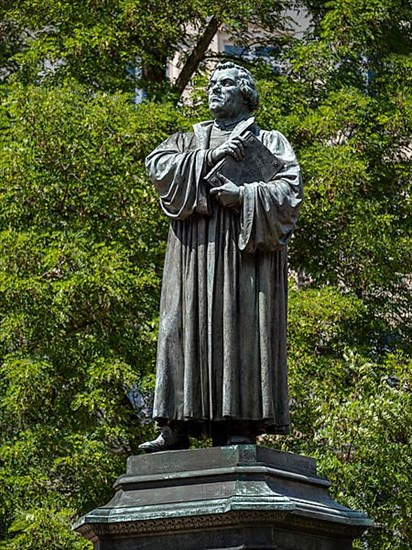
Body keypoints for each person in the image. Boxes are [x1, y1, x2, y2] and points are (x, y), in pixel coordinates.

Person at [139, 61, 303, 452]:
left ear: (245, 94)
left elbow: (289, 196)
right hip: (192, 257)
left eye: (225, 83)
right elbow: (158, 169)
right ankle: (176, 423)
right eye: (212, 84)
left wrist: (243, 196)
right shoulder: (189, 139)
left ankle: (239, 422)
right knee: (178, 328)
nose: (214, 89)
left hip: (242, 258)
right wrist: (212, 157)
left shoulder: (271, 142)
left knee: (238, 327)